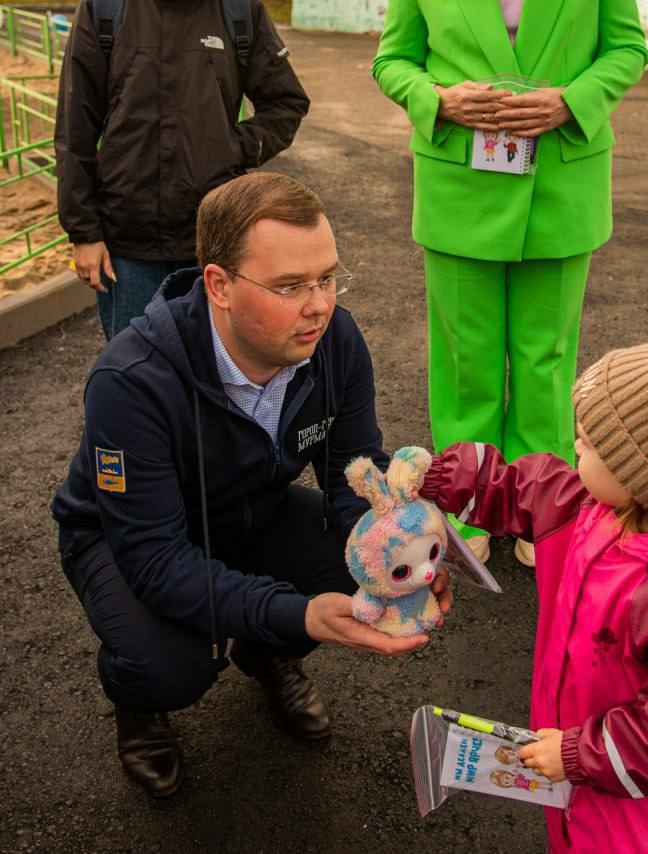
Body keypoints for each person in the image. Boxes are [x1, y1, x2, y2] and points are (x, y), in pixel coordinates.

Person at [52, 172, 451, 798]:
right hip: (126, 539)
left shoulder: (334, 339)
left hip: (249, 510)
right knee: (173, 667)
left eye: (326, 278)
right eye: (290, 285)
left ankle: (265, 651)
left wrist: (401, 553)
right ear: (219, 286)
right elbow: (155, 560)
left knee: (360, 564)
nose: (319, 305)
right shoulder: (131, 379)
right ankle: (140, 705)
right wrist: (301, 614)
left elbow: (355, 479)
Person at [417, 334, 648, 853]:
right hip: (580, 767)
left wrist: (586, 754)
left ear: (640, 477)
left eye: (590, 441)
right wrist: (439, 477)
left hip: (643, 815)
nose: (576, 445)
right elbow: (521, 489)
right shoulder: (591, 507)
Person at [372, 0, 648, 567]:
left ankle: (537, 503)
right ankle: (467, 501)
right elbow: (393, 62)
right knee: (463, 359)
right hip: (459, 190)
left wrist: (572, 101)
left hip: (562, 189)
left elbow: (628, 48)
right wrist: (439, 99)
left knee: (544, 359)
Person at [55, 0, 310, 341]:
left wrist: (230, 148)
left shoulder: (239, 10)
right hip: (129, 244)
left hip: (212, 241)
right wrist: (84, 232)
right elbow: (75, 127)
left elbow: (286, 103)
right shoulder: (105, 8)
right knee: (138, 377)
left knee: (217, 373)